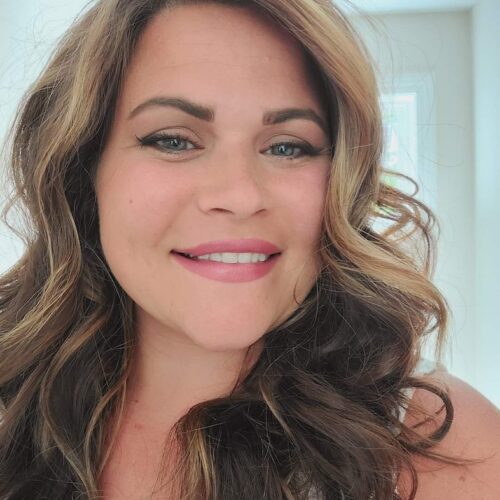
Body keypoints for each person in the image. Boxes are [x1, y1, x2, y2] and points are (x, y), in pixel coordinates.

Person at [0, 0, 498, 498]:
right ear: (83, 167)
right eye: (174, 141)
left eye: (287, 146)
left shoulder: (443, 447)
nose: (240, 195)